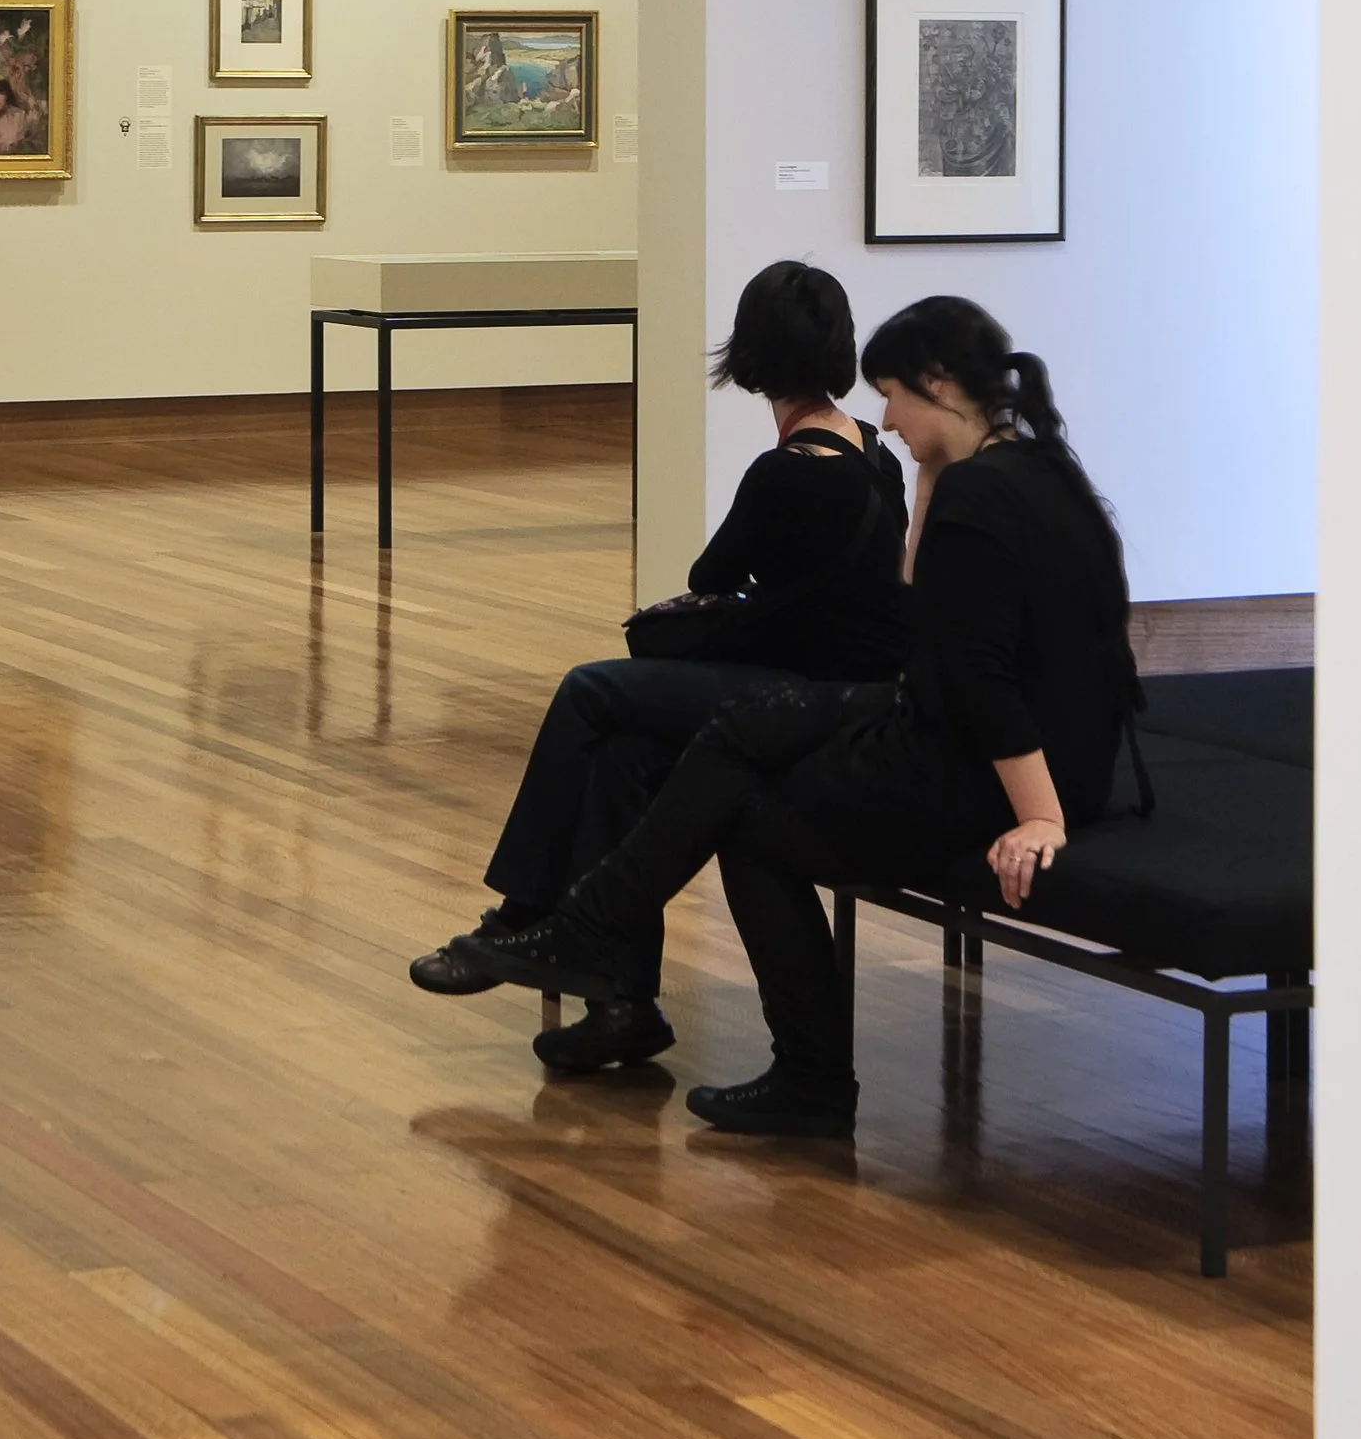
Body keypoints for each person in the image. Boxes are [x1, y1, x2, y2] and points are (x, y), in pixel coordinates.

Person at [440, 296, 1139, 1138]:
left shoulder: (978, 497)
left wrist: (1041, 816)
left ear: (939, 383)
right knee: (734, 730)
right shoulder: (1037, 470)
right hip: (1036, 747)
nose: (888, 419)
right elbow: (930, 606)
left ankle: (796, 1065)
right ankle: (595, 935)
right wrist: (930, 473)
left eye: (896, 397)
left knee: (749, 816)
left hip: (976, 766)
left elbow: (981, 678)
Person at [408, 261, 907, 1075]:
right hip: (837, 688)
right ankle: (621, 1006)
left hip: (795, 697)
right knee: (623, 755)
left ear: (753, 352)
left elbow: (711, 574)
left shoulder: (787, 470)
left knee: (591, 688)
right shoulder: (877, 457)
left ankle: (522, 911)